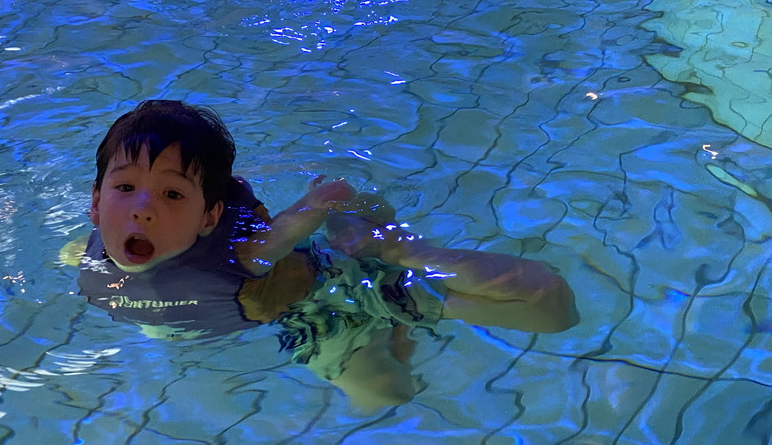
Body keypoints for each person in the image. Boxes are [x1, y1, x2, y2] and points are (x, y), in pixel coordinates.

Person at [63, 99, 579, 409]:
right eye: (125, 187)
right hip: (293, 322)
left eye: (172, 194)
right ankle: (394, 315)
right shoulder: (83, 260)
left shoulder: (245, 255)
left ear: (209, 217)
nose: (142, 210)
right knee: (386, 394)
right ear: (94, 202)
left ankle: (397, 248)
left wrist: (319, 205)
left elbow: (281, 236)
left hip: (325, 295)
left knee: (551, 307)